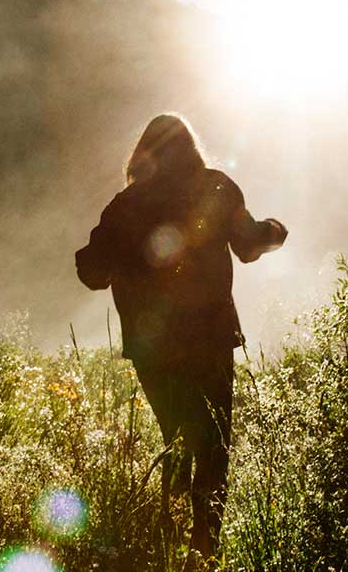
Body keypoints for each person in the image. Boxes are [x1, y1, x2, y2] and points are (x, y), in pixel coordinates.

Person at [75, 113, 287, 562]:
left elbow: (91, 271)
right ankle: (203, 552)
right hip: (209, 337)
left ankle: (169, 547)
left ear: (143, 154)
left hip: (152, 347)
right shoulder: (215, 187)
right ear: (191, 148)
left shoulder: (124, 204)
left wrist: (122, 259)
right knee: (213, 447)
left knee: (176, 437)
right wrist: (275, 232)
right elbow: (248, 246)